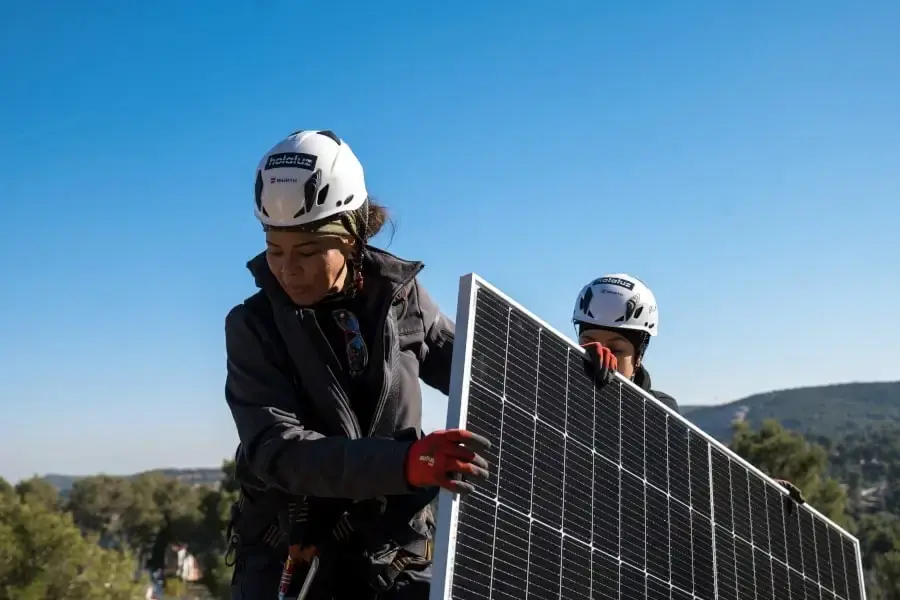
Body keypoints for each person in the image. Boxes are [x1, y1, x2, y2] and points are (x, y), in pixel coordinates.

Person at [223, 129, 491, 600]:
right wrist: (407, 462)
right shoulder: (253, 327)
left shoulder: (402, 300)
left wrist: (584, 374)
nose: (288, 269)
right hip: (293, 559)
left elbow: (487, 380)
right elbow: (279, 451)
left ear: (352, 236)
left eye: (308, 251)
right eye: (275, 248)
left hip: (393, 555)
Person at [572, 273, 679, 413]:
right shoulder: (551, 391)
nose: (602, 357)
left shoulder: (661, 413)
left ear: (638, 357)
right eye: (588, 344)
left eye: (615, 350)